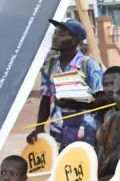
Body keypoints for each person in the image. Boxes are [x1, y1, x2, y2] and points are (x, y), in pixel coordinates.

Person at [31, 18, 105, 148]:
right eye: (55, 33)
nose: (55, 37)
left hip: (86, 134)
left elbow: (102, 100)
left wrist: (76, 104)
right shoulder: (49, 66)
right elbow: (46, 98)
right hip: (58, 134)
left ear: (75, 41)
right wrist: (39, 127)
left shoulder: (89, 65)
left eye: (61, 34)